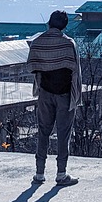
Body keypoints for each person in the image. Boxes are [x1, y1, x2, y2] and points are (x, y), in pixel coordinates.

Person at [26, 10, 82, 186]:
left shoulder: (38, 42)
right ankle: (61, 174)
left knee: (43, 131)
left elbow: (32, 66)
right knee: (64, 134)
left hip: (45, 93)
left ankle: (39, 173)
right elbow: (75, 70)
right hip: (64, 94)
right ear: (65, 25)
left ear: (50, 23)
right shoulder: (68, 43)